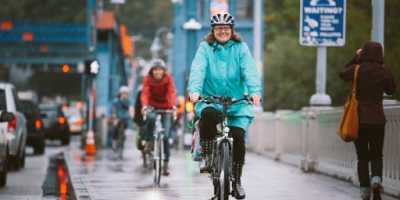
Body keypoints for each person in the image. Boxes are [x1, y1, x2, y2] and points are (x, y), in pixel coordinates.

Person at [187, 13, 262, 199]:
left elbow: (250, 70)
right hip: (210, 98)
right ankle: (206, 156)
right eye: (219, 28)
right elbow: (198, 69)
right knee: (208, 114)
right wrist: (194, 90)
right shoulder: (205, 47)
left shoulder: (241, 48)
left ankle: (236, 182)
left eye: (226, 28)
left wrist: (255, 92)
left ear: (231, 30)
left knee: (237, 136)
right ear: (213, 31)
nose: (223, 31)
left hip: (236, 104)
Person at [339, 41, 396, 200]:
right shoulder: (385, 71)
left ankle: (365, 193)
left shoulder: (356, 70)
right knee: (377, 155)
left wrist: (355, 57)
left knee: (362, 157)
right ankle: (376, 182)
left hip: (358, 121)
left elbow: (342, 73)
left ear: (363, 53)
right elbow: (391, 90)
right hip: (377, 120)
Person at [141, 58, 177, 176]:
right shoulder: (148, 79)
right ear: (152, 71)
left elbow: (172, 92)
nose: (157, 72)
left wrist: (173, 107)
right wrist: (145, 106)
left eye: (160, 70)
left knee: (166, 136)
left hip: (166, 106)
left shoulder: (168, 78)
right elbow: (145, 93)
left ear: (163, 70)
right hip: (152, 105)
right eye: (155, 70)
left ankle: (166, 163)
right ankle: (148, 142)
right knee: (150, 117)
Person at [111, 86, 134, 150]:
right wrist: (114, 117)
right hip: (118, 117)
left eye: (126, 93)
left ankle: (123, 137)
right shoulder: (116, 101)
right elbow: (114, 109)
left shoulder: (129, 101)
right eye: (123, 93)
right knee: (115, 129)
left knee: (125, 126)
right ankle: (114, 145)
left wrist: (132, 116)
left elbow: (131, 108)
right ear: (120, 94)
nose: (124, 95)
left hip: (125, 118)